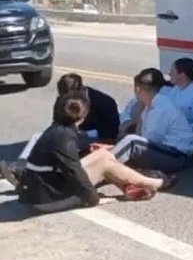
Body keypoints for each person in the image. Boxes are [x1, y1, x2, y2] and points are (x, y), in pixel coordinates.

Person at [7, 92, 176, 214]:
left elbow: (67, 165)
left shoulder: (58, 129)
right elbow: (74, 172)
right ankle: (155, 183)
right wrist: (93, 198)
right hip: (47, 198)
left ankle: (130, 186)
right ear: (82, 115)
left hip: (44, 187)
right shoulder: (64, 137)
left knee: (103, 155)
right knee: (103, 161)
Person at [16, 73, 121, 162]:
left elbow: (112, 131)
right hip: (68, 132)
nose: (68, 100)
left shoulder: (104, 102)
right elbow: (56, 122)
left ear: (81, 89)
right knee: (37, 137)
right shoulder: (63, 99)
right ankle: (21, 165)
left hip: (94, 136)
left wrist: (87, 133)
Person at [111, 68, 193, 173]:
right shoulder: (150, 104)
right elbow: (141, 133)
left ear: (138, 89)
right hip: (164, 150)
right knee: (125, 139)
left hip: (175, 155)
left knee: (131, 141)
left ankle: (105, 165)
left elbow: (151, 139)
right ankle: (108, 161)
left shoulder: (161, 107)